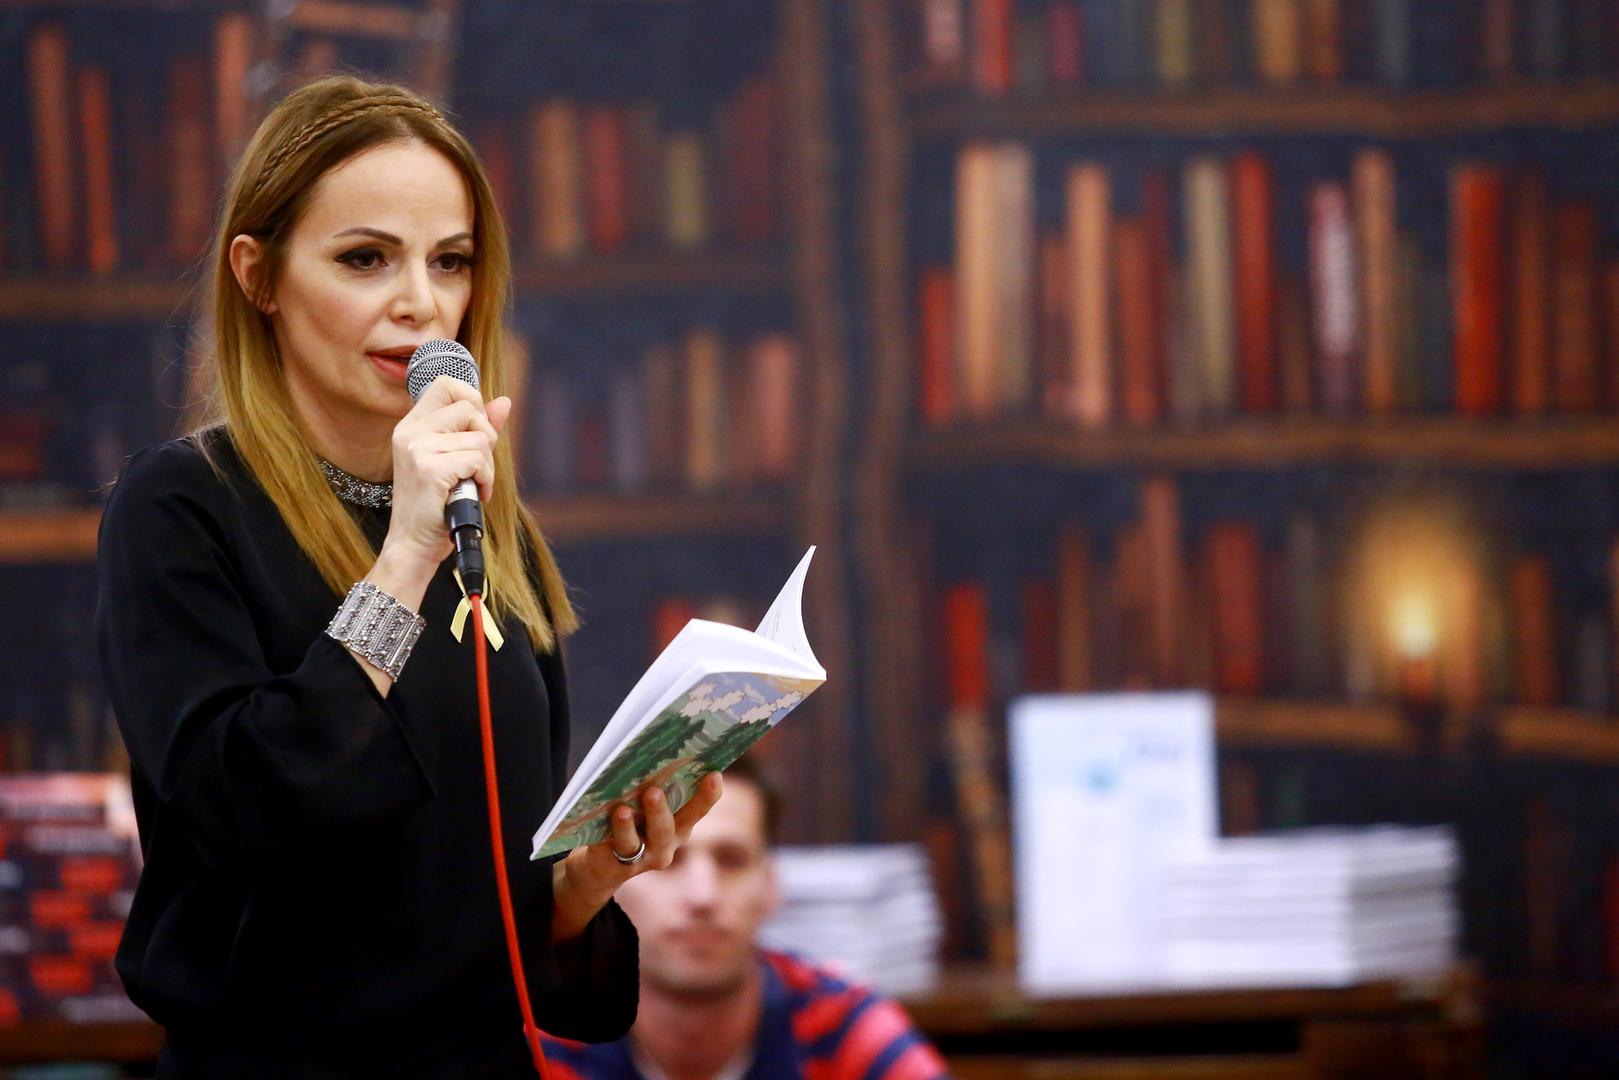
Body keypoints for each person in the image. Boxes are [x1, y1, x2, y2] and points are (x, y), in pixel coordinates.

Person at [94, 75, 722, 1078]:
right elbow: (247, 807)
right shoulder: (181, 506)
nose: (420, 303)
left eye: (450, 261)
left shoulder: (486, 520)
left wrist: (583, 884)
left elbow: (484, 908)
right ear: (258, 275)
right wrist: (405, 556)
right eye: (364, 258)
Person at [540, 755, 950, 1080]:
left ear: (771, 886)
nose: (703, 896)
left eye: (732, 860)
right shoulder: (550, 1041)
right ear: (613, 883)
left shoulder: (842, 1028)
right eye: (666, 860)